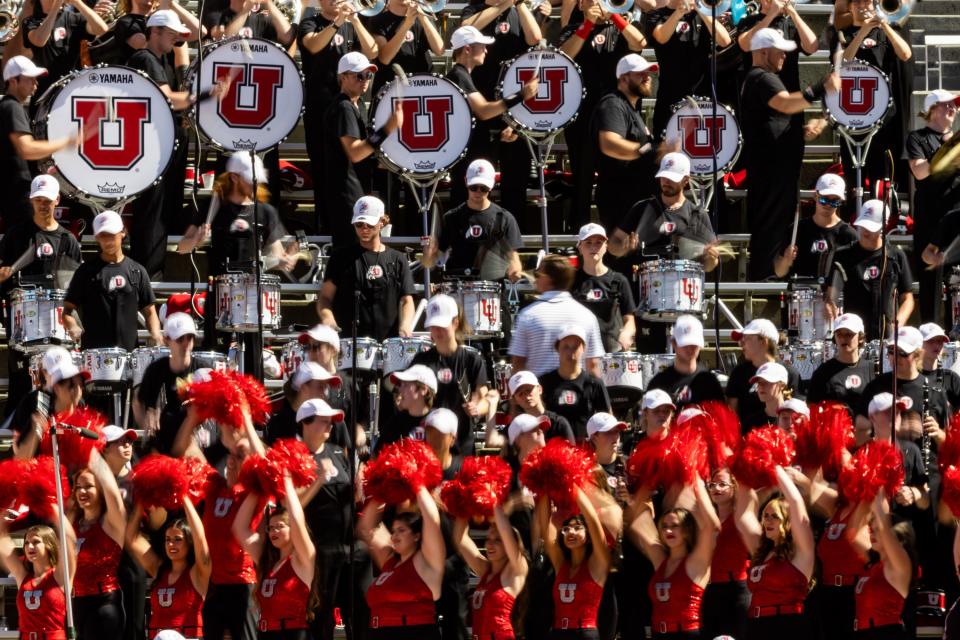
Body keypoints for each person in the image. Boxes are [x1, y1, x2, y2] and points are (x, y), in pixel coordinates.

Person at [178, 152, 297, 376]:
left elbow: (276, 254)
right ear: (233, 178)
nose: (255, 184)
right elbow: (182, 248)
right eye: (250, 179)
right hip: (220, 292)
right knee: (217, 358)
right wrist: (196, 240)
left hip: (254, 293)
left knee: (254, 359)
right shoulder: (213, 208)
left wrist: (284, 260)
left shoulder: (266, 211)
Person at [740, 27, 839, 280]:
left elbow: (771, 121)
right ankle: (765, 283)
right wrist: (820, 88)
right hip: (771, 174)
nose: (784, 56)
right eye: (780, 51)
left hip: (777, 172)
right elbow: (784, 103)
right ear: (763, 51)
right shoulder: (762, 77)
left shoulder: (760, 77)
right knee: (770, 231)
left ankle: (772, 279)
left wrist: (799, 133)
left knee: (779, 231)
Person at [126, 9, 209, 279]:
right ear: (154, 31)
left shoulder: (162, 61)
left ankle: (154, 274)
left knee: (164, 214)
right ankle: (148, 277)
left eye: (177, 35)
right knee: (152, 215)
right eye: (171, 33)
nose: (175, 39)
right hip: (153, 152)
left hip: (166, 150)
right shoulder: (145, 58)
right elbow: (167, 99)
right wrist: (205, 95)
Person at [0, 175, 81, 418]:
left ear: (57, 200)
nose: (43, 204)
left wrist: (74, 320)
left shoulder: (68, 241)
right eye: (38, 200)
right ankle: (20, 444)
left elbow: (75, 287)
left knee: (59, 391)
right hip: (23, 329)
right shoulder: (16, 236)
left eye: (47, 200)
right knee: (22, 391)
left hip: (58, 331)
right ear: (31, 201)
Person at [559, 0, 645, 227]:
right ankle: (580, 233)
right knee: (582, 179)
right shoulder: (571, 30)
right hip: (582, 115)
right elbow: (564, 56)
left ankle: (616, 232)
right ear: (580, 6)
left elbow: (639, 44)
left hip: (616, 115)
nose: (597, 3)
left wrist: (615, 16)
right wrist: (587, 24)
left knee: (616, 177)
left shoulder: (621, 27)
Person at [459, 0, 546, 223]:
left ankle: (511, 238)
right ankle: (472, 231)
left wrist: (519, 4)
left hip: (515, 106)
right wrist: (500, 6)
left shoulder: (520, 9)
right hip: (479, 103)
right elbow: (466, 28)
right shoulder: (474, 8)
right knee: (475, 175)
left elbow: (535, 39)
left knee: (515, 181)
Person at [298, 0, 378, 231]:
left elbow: (372, 51)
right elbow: (313, 46)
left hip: (351, 106)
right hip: (321, 109)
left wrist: (353, 19)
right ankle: (326, 229)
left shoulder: (354, 22)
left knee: (357, 168)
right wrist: (338, 21)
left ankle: (360, 224)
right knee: (325, 171)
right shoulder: (310, 22)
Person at [444, 25, 538, 208]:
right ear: (467, 49)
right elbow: (483, 111)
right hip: (464, 158)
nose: (486, 50)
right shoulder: (458, 75)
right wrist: (521, 95)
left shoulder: (462, 75)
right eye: (482, 46)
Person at [836, 0, 912, 213]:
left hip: (883, 117)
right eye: (857, 2)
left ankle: (882, 223)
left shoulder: (888, 31)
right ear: (850, 8)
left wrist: (884, 25)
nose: (862, 5)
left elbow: (905, 54)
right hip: (853, 117)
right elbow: (843, 61)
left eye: (867, 1)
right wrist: (864, 30)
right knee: (854, 179)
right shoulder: (844, 33)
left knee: (882, 178)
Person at [295, 398, 361, 640]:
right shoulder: (296, 455)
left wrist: (358, 490)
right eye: (324, 422)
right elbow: (290, 504)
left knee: (355, 613)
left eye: (331, 422)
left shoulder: (336, 451)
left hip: (348, 547)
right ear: (306, 423)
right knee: (321, 618)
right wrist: (317, 480)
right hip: (319, 551)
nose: (331, 427)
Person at [321, 52, 402, 243]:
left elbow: (365, 149)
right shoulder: (343, 107)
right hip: (346, 193)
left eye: (368, 75)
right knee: (350, 251)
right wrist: (388, 128)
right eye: (359, 75)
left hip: (355, 190)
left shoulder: (357, 106)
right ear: (342, 77)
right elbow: (356, 152)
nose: (365, 80)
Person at [627, 479, 720, 639]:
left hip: (687, 634)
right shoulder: (660, 558)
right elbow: (635, 523)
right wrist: (648, 479)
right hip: (658, 634)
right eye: (664, 526)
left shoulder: (696, 561)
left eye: (675, 526)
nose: (668, 530)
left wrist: (695, 479)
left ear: (687, 529)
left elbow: (712, 526)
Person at [233, 468, 317, 639]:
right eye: (271, 527)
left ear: (293, 530)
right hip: (265, 634)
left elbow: (297, 519)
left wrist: (285, 478)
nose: (273, 531)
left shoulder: (303, 559)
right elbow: (239, 529)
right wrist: (257, 488)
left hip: (293, 634)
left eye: (280, 526)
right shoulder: (267, 561)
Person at [318, 195, 415, 340]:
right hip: (349, 342)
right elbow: (325, 297)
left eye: (369, 225)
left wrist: (406, 325)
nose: (364, 229)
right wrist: (328, 319)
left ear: (382, 222)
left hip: (389, 344)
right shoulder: (340, 257)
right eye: (359, 224)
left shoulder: (398, 259)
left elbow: (407, 300)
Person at [734, 466, 815, 640]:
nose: (767, 521)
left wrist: (772, 465)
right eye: (765, 515)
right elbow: (743, 517)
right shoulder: (762, 551)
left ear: (788, 521)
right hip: (756, 626)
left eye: (775, 516)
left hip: (786, 627)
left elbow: (796, 503)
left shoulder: (800, 552)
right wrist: (744, 469)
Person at [63, 210, 163, 351]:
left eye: (111, 234)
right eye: (103, 235)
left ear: (123, 232)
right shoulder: (85, 271)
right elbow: (67, 309)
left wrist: (156, 334)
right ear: (97, 237)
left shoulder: (137, 271)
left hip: (130, 354)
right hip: (94, 355)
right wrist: (73, 326)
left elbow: (150, 312)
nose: (108, 240)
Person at [358, 486, 445, 640]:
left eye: (402, 530)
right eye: (394, 531)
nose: (394, 536)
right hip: (378, 633)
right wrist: (381, 488)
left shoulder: (425, 562)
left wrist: (416, 482)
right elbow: (365, 528)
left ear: (417, 536)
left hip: (413, 634)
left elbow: (432, 519)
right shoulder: (389, 561)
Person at [609, 152, 719, 271]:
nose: (666, 182)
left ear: (686, 180)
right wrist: (623, 248)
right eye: (663, 177)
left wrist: (711, 258)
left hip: (684, 283)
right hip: (647, 284)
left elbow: (708, 267)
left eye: (672, 178)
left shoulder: (697, 214)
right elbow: (612, 244)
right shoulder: (642, 208)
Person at [411, 294, 490, 455]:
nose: (437, 331)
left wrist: (476, 408)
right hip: (429, 444)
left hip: (461, 444)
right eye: (433, 326)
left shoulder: (471, 359)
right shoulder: (421, 360)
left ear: (455, 323)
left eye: (442, 325)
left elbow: (483, 398)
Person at [0, 56, 74, 226]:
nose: (36, 84)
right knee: (24, 245)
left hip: (13, 192)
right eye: (30, 79)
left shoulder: (10, 107)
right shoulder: (12, 107)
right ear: (13, 81)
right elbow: (26, 149)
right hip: (16, 193)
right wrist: (67, 142)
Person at [422, 158, 524, 282]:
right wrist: (428, 255)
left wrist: (515, 270)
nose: (478, 192)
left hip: (492, 290)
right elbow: (431, 262)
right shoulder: (451, 217)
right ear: (466, 182)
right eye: (474, 187)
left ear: (492, 185)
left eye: (484, 188)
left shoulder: (505, 218)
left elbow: (514, 258)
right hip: (457, 285)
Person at [826, 200, 914, 341]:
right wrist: (832, 311)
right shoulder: (843, 255)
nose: (865, 231)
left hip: (886, 334)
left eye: (871, 227)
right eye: (863, 225)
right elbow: (832, 296)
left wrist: (898, 323)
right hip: (853, 335)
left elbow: (907, 299)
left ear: (884, 227)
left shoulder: (896, 256)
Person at [588, 54, 658, 231]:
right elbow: (610, 144)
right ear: (624, 78)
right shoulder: (613, 104)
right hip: (619, 201)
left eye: (648, 73)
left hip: (634, 201)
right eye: (640, 74)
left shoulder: (630, 108)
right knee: (622, 257)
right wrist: (650, 150)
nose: (647, 77)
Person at [126, 495, 211, 639]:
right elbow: (131, 538)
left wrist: (183, 496)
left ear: (189, 543)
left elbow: (200, 537)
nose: (171, 544)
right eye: (168, 540)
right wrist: (142, 501)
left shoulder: (198, 573)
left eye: (178, 540)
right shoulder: (158, 569)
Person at [643, 0, 731, 138]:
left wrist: (702, 11)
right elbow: (661, 37)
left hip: (702, 94)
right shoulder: (656, 15)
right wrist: (678, 13)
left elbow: (725, 41)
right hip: (670, 94)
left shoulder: (701, 15)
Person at [908, 91, 960, 322]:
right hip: (930, 221)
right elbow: (919, 172)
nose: (953, 108)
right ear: (932, 109)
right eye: (947, 105)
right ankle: (932, 337)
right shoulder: (917, 138)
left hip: (957, 219)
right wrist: (948, 151)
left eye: (955, 105)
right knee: (931, 286)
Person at [509, 254, 604, 377]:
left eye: (538, 275)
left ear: (548, 279)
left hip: (540, 393)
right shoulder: (588, 316)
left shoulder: (527, 315)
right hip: (578, 392)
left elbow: (518, 364)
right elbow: (593, 365)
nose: (535, 279)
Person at [536, 486, 611, 639]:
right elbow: (545, 526)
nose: (571, 532)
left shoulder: (598, 562)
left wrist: (571, 483)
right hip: (557, 633)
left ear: (589, 534)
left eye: (577, 528)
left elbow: (592, 520)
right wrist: (544, 484)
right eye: (567, 529)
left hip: (584, 633)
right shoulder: (560, 563)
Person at [202, 449, 258, 640]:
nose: (233, 461)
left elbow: (265, 464)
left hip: (242, 583)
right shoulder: (215, 487)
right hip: (214, 584)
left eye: (241, 456)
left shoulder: (254, 493)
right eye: (231, 455)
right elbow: (188, 451)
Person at [71, 453, 128, 640]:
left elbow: (114, 496)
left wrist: (90, 450)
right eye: (78, 487)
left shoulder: (111, 523)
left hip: (104, 605)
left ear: (101, 490)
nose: (82, 492)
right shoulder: (74, 524)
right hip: (77, 604)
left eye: (89, 486)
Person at [134, 312, 207, 456]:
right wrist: (147, 425)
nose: (186, 343)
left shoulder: (202, 368)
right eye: (180, 339)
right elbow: (138, 402)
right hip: (164, 441)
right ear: (167, 340)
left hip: (195, 441)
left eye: (190, 338)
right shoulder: (156, 370)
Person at [452, 504, 528, 640]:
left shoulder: (516, 569)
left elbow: (505, 531)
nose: (489, 545)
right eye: (488, 539)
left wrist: (493, 501)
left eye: (497, 540)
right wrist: (463, 503)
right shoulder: (485, 570)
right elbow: (460, 538)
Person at [0, 518, 76, 640]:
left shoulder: (60, 575)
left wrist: (55, 512)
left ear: (49, 545)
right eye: (26, 543)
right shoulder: (23, 576)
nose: (30, 546)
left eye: (36, 542)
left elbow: (69, 542)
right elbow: (3, 543)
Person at [774, 173, 858, 279]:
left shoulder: (849, 235)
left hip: (835, 294)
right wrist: (786, 260)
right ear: (815, 196)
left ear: (840, 202)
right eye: (824, 199)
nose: (828, 205)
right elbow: (779, 272)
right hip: (802, 292)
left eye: (834, 202)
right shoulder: (797, 229)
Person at [853, 494, 913, 639]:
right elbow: (854, 533)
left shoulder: (900, 564)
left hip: (886, 633)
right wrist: (866, 493)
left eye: (876, 529)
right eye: (871, 528)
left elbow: (884, 527)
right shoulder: (874, 562)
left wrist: (879, 488)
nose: (871, 532)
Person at [11, 349, 88, 460]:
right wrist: (36, 431)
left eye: (80, 384)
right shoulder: (33, 402)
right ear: (44, 373)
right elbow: (19, 453)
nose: (77, 390)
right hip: (38, 467)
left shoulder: (79, 403)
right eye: (69, 383)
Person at [539, 324, 612, 443]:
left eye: (575, 346)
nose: (570, 352)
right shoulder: (544, 383)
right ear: (557, 348)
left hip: (585, 451)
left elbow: (607, 421)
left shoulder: (594, 383)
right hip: (554, 451)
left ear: (583, 348)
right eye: (566, 346)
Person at [572, 223, 637, 353]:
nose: (593, 247)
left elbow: (630, 320)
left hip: (612, 355)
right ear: (579, 247)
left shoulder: (619, 280)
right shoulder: (571, 280)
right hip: (580, 354)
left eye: (598, 243)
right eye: (588, 243)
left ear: (606, 246)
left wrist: (627, 333)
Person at [701, 469, 750, 640]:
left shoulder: (741, 517)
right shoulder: (706, 519)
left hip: (735, 590)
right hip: (711, 590)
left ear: (734, 487)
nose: (716, 488)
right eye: (712, 485)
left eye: (723, 484)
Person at [724, 318, 801, 427]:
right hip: (748, 438)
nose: (741, 343)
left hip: (783, 439)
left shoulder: (790, 373)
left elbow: (798, 415)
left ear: (764, 341)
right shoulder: (739, 373)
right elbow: (731, 416)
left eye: (747, 338)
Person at [23, 0, 108, 98]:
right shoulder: (30, 21)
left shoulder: (72, 18)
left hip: (70, 89)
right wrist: (55, 7)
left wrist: (78, 3)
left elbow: (102, 29)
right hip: (43, 90)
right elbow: (39, 41)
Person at [646, 314, 725, 407]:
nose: (690, 348)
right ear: (674, 343)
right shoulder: (659, 383)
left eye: (694, 344)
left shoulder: (710, 382)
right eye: (685, 344)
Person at [368, 0, 444, 95]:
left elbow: (440, 50)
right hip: (391, 90)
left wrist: (423, 18)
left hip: (422, 87)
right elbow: (384, 58)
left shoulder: (423, 16)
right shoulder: (377, 20)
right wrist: (407, 24)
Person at [807, 313, 875, 413]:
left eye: (848, 334)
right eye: (839, 334)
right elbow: (812, 407)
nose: (843, 339)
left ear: (860, 338)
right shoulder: (823, 372)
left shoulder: (871, 369)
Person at [375, 364, 437, 453]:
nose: (399, 390)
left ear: (423, 389)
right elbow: (377, 457)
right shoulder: (396, 422)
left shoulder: (439, 422)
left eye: (405, 385)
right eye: (400, 385)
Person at [508, 370, 577, 444]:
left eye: (529, 390)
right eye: (520, 394)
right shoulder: (514, 428)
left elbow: (572, 453)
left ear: (540, 389)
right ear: (515, 400)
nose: (526, 396)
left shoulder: (558, 423)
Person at [205, 0, 293, 44]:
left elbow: (287, 36)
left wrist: (268, 2)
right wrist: (245, 10)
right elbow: (224, 41)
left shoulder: (260, 18)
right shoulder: (218, 15)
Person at [918, 322, 960, 411]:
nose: (936, 345)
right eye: (931, 341)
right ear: (919, 343)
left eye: (940, 341)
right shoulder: (911, 377)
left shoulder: (952, 378)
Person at [741, 362, 792, 431]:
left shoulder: (795, 419)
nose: (761, 386)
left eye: (767, 382)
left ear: (782, 385)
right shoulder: (751, 423)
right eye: (759, 382)